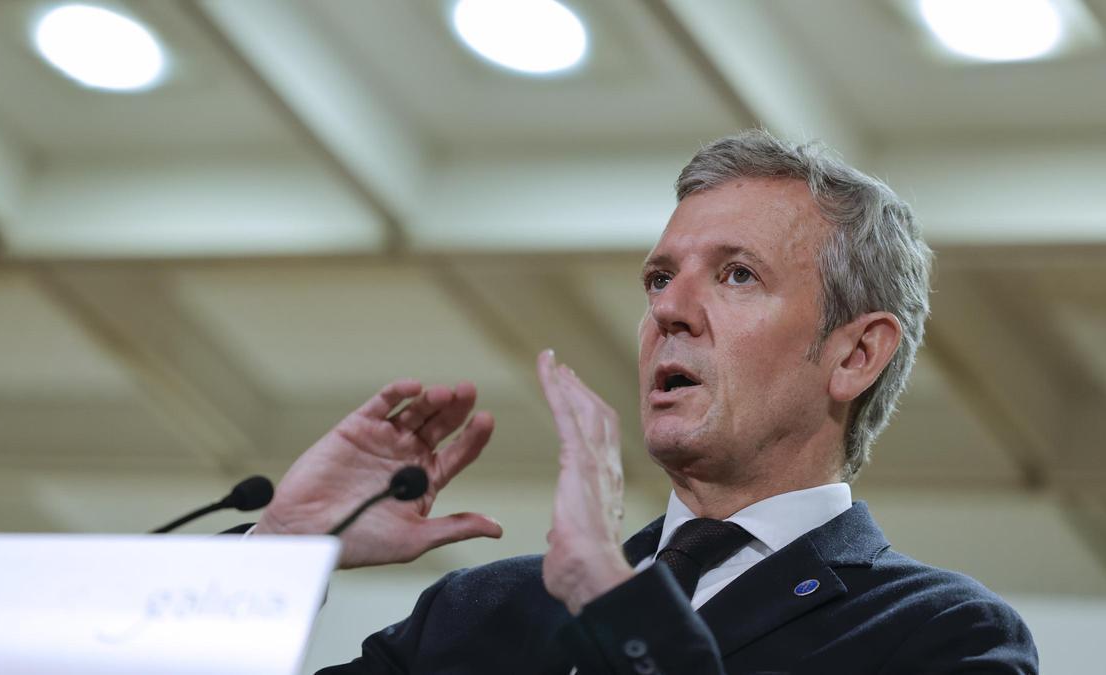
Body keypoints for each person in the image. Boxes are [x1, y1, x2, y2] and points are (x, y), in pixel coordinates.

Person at [254, 130, 1038, 674]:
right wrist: (277, 556)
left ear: (855, 353)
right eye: (660, 278)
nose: (669, 309)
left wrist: (609, 599)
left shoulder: (941, 634)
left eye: (736, 275)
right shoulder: (484, 609)